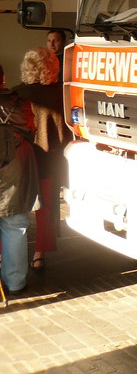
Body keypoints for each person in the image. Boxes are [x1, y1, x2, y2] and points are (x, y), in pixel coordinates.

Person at [15, 47, 67, 275]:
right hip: (50, 161)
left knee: (14, 211)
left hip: (22, 160)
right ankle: (39, 256)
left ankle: (9, 257)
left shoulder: (17, 94)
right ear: (52, 67)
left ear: (28, 68)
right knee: (46, 210)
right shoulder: (62, 94)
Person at [0, 63, 39, 296]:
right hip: (15, 170)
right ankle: (15, 282)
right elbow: (30, 130)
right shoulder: (21, 102)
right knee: (15, 226)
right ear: (3, 78)